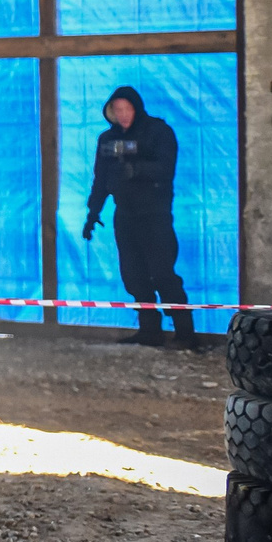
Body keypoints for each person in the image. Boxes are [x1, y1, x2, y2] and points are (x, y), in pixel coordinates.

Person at [82, 85, 194, 348]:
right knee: (133, 275)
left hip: (155, 216)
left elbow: (166, 169)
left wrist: (136, 169)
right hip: (126, 216)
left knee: (163, 274)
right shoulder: (107, 140)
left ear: (136, 108)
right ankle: (149, 331)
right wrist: (92, 213)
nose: (122, 115)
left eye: (126, 109)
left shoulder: (158, 132)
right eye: (117, 110)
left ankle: (185, 334)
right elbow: (101, 179)